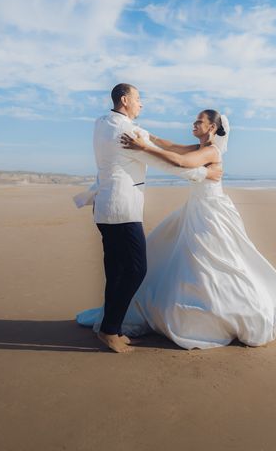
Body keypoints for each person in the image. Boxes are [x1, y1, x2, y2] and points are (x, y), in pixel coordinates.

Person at [77, 109, 276, 349]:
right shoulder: (197, 147)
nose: (194, 124)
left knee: (211, 258)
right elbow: (172, 146)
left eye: (199, 122)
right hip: (195, 208)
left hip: (211, 211)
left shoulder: (210, 150)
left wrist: (144, 148)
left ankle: (220, 312)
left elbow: (181, 162)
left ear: (212, 128)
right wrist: (145, 136)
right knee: (185, 256)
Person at [74, 84, 222, 353]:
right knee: (136, 269)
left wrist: (193, 150)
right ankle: (109, 330)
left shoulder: (101, 123)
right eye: (138, 99)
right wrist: (205, 175)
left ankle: (113, 328)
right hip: (122, 207)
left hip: (104, 206)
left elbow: (165, 145)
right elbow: (167, 163)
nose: (141, 104)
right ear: (125, 100)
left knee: (116, 269)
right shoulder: (126, 131)